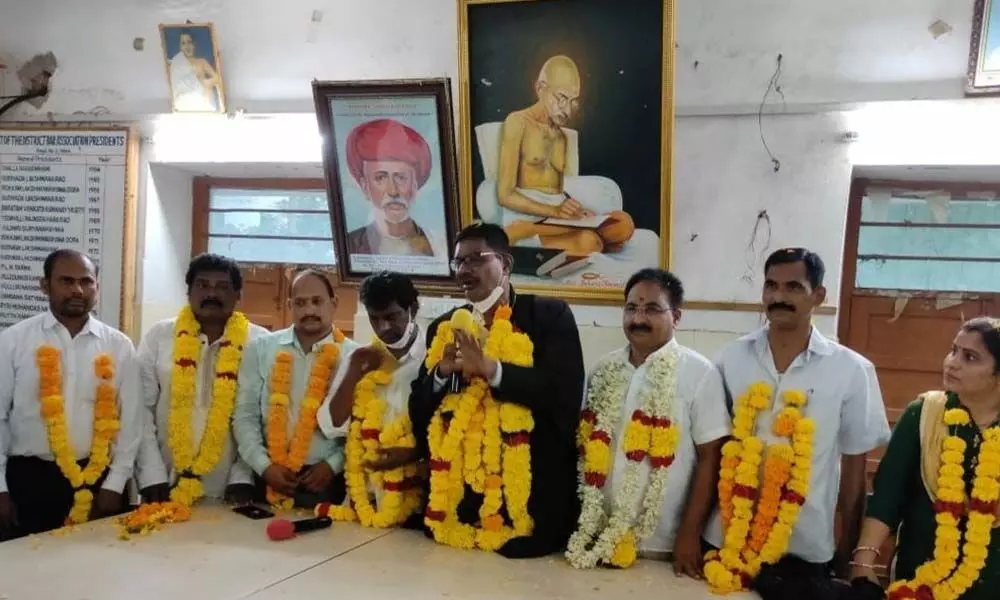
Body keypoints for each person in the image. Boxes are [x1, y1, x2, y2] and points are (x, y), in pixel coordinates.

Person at [701, 248, 891, 595]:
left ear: (818, 295)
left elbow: (853, 470)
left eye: (793, 287)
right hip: (727, 537)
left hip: (804, 544)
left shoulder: (851, 370)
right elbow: (712, 449)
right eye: (771, 286)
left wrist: (847, 557)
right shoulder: (731, 358)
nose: (778, 297)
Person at [407, 222, 585, 558]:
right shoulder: (444, 327)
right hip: (461, 507)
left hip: (531, 506)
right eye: (458, 262)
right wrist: (442, 374)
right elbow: (419, 411)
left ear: (505, 264)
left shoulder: (548, 316)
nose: (464, 270)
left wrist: (493, 370)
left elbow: (564, 394)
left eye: (476, 259)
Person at [567, 269, 729, 575]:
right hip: (600, 540)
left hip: (666, 546)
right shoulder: (603, 369)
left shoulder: (699, 373)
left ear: (676, 316)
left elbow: (712, 458)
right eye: (631, 308)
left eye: (652, 309)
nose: (638, 318)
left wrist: (689, 534)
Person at [852, 317, 1000, 600]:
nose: (952, 363)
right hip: (920, 580)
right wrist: (863, 563)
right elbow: (887, 497)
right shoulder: (924, 415)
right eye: (953, 350)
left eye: (970, 358)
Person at [0, 250, 141, 540]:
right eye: (66, 281)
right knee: (25, 573)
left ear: (97, 288)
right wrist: (0, 489)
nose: (78, 290)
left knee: (94, 573)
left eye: (86, 281)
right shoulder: (13, 341)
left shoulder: (119, 346)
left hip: (98, 479)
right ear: (45, 286)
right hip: (28, 481)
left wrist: (115, 483)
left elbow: (131, 421)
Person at [134, 254, 268, 507]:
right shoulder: (159, 336)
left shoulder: (260, 342)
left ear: (238, 295)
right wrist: (151, 473)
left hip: (233, 488)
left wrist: (243, 476)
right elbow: (141, 410)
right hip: (165, 482)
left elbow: (260, 418)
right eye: (202, 285)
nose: (211, 294)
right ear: (189, 292)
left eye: (222, 287)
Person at [233, 269, 358, 509]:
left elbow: (358, 427)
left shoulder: (354, 357)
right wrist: (264, 466)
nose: (309, 310)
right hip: (269, 477)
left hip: (327, 481)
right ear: (290, 305)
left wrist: (333, 465)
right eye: (300, 303)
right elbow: (245, 416)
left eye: (317, 301)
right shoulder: (261, 349)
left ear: (334, 303)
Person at [316, 271, 425, 528]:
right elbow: (332, 425)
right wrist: (354, 369)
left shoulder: (434, 356)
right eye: (374, 319)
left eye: (391, 317)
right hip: (365, 499)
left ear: (412, 309)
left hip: (421, 500)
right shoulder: (361, 358)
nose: (383, 327)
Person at [495, 55, 635, 255]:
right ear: (540, 88)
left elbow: (554, 189)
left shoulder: (561, 137)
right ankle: (524, 233)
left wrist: (575, 210)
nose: (567, 110)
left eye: (572, 101)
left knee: (624, 223)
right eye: (561, 98)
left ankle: (576, 236)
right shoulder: (517, 122)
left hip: (557, 219)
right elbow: (504, 195)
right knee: (589, 242)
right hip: (526, 216)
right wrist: (555, 211)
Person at [344, 118, 443, 258]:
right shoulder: (349, 246)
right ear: (365, 186)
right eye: (381, 178)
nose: (393, 191)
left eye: (401, 178)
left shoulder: (439, 245)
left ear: (415, 185)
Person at [168, 29, 223, 112]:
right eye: (183, 43)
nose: (187, 46)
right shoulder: (175, 63)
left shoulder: (201, 62)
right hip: (183, 106)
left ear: (194, 44)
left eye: (189, 42)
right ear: (180, 47)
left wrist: (207, 83)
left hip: (202, 103)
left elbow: (217, 78)